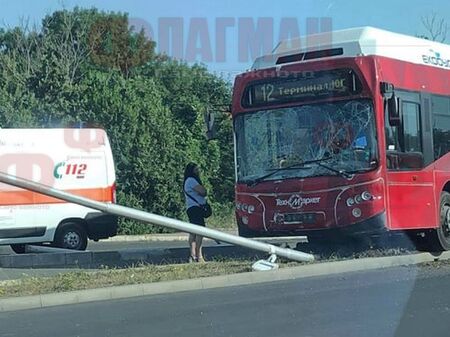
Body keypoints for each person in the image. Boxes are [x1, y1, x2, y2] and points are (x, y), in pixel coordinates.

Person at [183, 162, 207, 263]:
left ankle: (193, 256)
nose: (198, 171)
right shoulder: (192, 180)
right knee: (199, 231)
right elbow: (203, 191)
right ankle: (199, 255)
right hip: (195, 208)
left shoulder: (187, 181)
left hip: (191, 208)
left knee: (193, 232)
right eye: (196, 169)